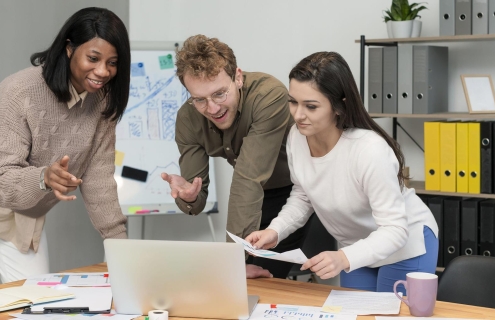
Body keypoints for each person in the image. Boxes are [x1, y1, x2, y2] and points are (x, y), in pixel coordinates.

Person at [0, 7, 131, 294]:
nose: (102, 72)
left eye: (113, 63)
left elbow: (99, 180)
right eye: (93, 58)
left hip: (25, 202)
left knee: (38, 300)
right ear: (70, 49)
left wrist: (122, 249)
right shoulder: (20, 90)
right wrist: (44, 177)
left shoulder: (103, 102)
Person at [246, 52, 438, 294]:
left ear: (339, 105)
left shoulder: (369, 150)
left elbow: (395, 229)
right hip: (356, 248)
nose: (297, 115)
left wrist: (343, 258)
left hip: (405, 244)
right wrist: (275, 230)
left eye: (311, 106)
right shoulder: (297, 136)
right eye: (293, 101)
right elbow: (304, 194)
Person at [160, 35, 312, 279]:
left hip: (296, 194)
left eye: (220, 94)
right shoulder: (188, 118)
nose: (212, 108)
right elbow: (196, 200)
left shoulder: (268, 96)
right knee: (237, 281)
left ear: (238, 77)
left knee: (260, 280)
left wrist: (230, 265)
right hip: (255, 196)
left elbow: (248, 179)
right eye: (199, 99)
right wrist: (190, 196)